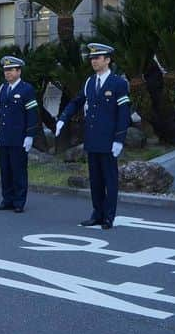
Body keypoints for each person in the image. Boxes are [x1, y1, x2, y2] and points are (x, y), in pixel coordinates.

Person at [55, 43, 131, 230]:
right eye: (92, 58)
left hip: (109, 140)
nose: (94, 61)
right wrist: (63, 118)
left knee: (110, 180)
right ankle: (97, 214)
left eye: (97, 58)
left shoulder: (118, 83)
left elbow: (123, 113)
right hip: (92, 139)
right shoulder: (90, 82)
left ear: (107, 60)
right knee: (96, 181)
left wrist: (119, 139)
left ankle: (108, 216)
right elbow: (77, 101)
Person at [0, 56, 39, 212]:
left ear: (19, 71)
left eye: (11, 70)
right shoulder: (3, 88)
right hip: (5, 136)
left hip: (19, 137)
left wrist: (30, 135)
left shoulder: (26, 89)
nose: (8, 73)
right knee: (5, 170)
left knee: (18, 170)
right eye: (5, 70)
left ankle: (19, 202)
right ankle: (7, 199)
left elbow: (32, 113)